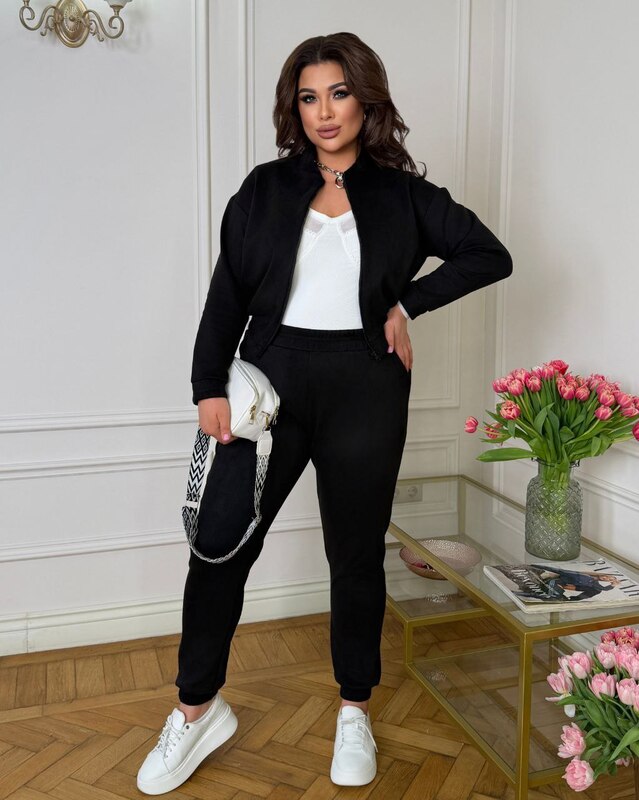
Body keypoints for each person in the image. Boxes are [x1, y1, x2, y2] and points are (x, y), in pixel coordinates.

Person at [137, 31, 513, 794]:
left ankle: (353, 709)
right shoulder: (264, 189)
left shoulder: (403, 195)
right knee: (219, 544)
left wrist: (407, 304)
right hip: (268, 384)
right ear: (295, 109)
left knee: (355, 554)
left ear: (365, 99)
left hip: (364, 385)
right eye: (308, 97)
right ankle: (197, 708)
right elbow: (226, 295)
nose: (324, 112)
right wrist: (207, 387)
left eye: (338, 93)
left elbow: (488, 254)